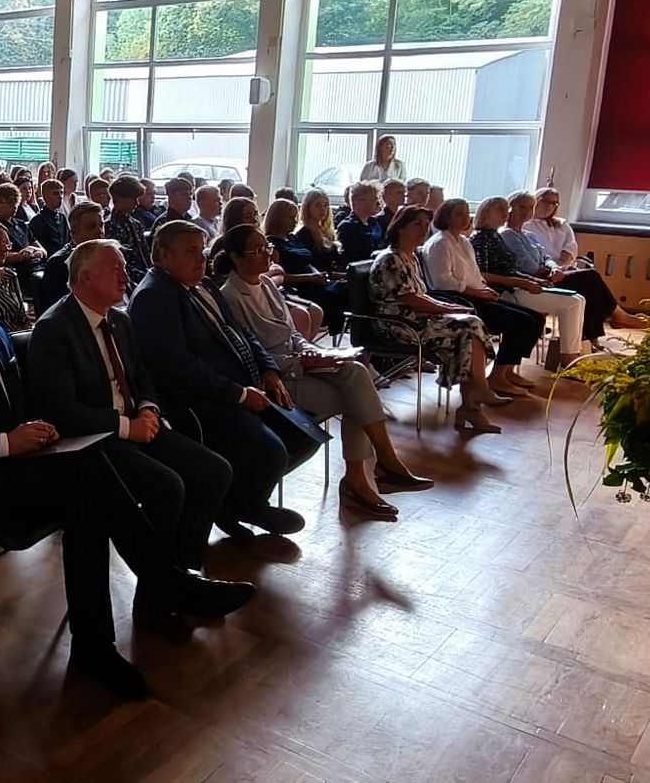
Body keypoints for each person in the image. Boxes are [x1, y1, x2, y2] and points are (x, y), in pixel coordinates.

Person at [0, 238, 255, 701]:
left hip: (19, 464)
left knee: (89, 493)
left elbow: (20, 406)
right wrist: (6, 442)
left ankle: (98, 642)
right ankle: (161, 589)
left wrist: (32, 430)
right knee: (90, 480)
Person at [29, 237, 236, 569]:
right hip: (96, 439)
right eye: (116, 269)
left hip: (137, 423)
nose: (126, 277)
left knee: (215, 471)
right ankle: (160, 580)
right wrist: (128, 427)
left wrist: (148, 408)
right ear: (86, 277)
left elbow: (141, 375)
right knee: (167, 487)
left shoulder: (119, 320)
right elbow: (62, 411)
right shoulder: (54, 328)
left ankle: (183, 567)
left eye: (125, 268)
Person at [212, 226, 433, 521]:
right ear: (237, 258)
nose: (268, 255)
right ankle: (370, 473)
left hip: (299, 364)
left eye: (267, 247)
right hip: (277, 380)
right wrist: (302, 362)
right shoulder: (230, 297)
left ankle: (373, 470)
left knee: (355, 372)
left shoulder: (265, 285)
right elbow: (251, 355)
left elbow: (293, 334)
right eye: (258, 250)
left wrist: (314, 353)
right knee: (358, 397)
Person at [129, 221, 307, 539]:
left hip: (243, 385)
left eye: (202, 250)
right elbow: (179, 368)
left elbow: (241, 332)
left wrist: (269, 368)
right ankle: (246, 505)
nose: (202, 258)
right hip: (202, 402)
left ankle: (239, 502)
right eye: (191, 252)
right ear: (164, 256)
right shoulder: (155, 296)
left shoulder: (205, 285)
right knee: (271, 451)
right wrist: (240, 395)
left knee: (304, 437)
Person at [368, 206, 511, 434]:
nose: (423, 230)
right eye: (417, 224)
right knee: (466, 330)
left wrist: (450, 309)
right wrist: (447, 308)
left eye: (426, 225)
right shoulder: (391, 259)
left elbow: (421, 296)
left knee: (470, 324)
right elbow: (411, 299)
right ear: (400, 227)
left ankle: (473, 402)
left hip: (418, 320)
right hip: (397, 324)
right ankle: (474, 400)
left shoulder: (410, 257)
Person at [422, 199, 546, 394]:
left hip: (477, 294)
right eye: (459, 214)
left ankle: (507, 370)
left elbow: (475, 274)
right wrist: (478, 292)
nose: (465, 218)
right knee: (521, 321)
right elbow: (443, 282)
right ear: (445, 217)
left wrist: (486, 289)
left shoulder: (463, 241)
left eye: (466, 213)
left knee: (536, 318)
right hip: (458, 299)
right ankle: (497, 376)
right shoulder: (440, 243)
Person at [500, 191, 647, 336]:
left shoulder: (528, 235)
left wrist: (555, 268)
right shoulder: (508, 234)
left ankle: (595, 333)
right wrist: (551, 272)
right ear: (510, 209)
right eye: (522, 207)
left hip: (551, 273)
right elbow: (528, 266)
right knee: (590, 278)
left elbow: (546, 257)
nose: (527, 212)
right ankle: (609, 323)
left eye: (530, 208)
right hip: (535, 281)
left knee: (589, 283)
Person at [469, 196, 590, 369]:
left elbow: (512, 269)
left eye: (505, 210)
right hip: (502, 292)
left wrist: (532, 280)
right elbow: (483, 275)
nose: (505, 214)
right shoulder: (482, 238)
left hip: (516, 286)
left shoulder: (496, 236)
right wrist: (525, 282)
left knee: (579, 299)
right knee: (571, 303)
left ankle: (572, 353)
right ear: (486, 213)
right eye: (500, 210)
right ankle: (568, 357)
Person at [263, 198, 346, 336]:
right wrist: (310, 277)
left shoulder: (293, 238)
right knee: (334, 295)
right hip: (299, 286)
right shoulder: (273, 244)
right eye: (290, 217)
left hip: (312, 279)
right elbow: (279, 275)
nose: (294, 221)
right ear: (278, 219)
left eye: (295, 217)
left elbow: (308, 262)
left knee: (344, 288)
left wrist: (318, 274)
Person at [38, 200, 103, 311]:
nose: (100, 231)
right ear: (74, 231)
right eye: (91, 227)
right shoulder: (59, 264)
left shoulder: (108, 256)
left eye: (101, 225)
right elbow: (64, 309)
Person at [335, 181, 388, 266]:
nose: (379, 203)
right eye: (375, 199)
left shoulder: (375, 224)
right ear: (359, 202)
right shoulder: (348, 227)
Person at [28, 179, 69, 253]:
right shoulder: (38, 221)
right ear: (45, 196)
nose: (60, 197)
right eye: (56, 193)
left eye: (61, 193)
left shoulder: (62, 217)